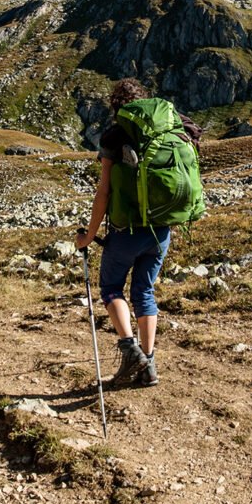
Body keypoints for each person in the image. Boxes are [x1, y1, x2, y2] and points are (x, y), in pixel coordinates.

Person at [76, 79, 198, 387]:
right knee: (144, 291)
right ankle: (149, 365)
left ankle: (130, 350)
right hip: (161, 230)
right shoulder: (170, 129)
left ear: (117, 106)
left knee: (112, 289)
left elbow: (103, 192)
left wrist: (88, 236)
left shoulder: (116, 135)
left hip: (125, 232)